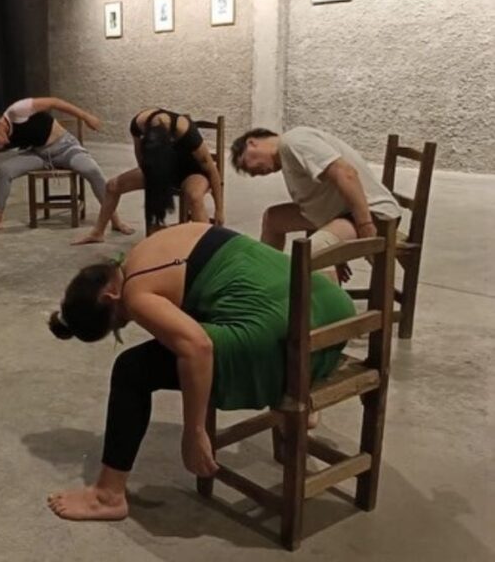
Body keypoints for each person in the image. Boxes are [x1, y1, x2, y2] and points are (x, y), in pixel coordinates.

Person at [45, 222, 354, 520]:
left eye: (120, 322)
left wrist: (194, 432)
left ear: (110, 297)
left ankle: (107, 496)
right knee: (208, 319)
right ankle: (296, 394)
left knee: (132, 369)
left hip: (292, 340)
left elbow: (198, 348)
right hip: (333, 313)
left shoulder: (135, 294)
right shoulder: (146, 249)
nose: (132, 320)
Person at [0, 97, 131, 236]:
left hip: (66, 148)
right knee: (5, 170)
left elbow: (55, 102)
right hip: (40, 154)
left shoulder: (18, 110)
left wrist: (86, 117)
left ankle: (115, 220)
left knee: (91, 170)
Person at [230, 127, 401, 254]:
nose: (252, 174)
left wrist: (365, 226)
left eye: (246, 165)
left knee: (313, 254)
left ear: (251, 143)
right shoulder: (287, 155)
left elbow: (346, 173)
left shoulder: (293, 142)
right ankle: (268, 281)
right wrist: (334, 243)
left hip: (371, 213)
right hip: (340, 214)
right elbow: (315, 206)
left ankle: (328, 303)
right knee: (273, 219)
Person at [73, 108, 224, 245]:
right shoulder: (138, 124)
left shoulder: (186, 132)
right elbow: (142, 162)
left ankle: (206, 245)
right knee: (112, 186)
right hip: (160, 167)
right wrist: (153, 178)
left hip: (192, 171)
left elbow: (212, 170)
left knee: (195, 195)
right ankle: (97, 232)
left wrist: (219, 209)